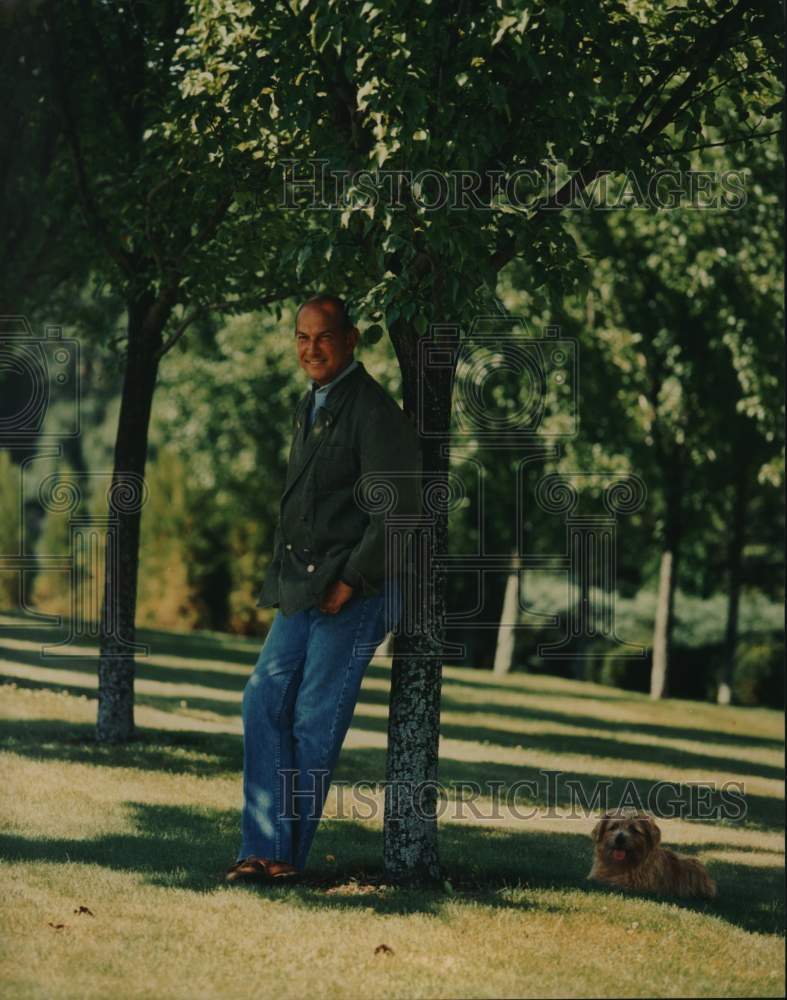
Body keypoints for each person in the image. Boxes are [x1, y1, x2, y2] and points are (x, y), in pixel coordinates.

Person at [225, 293, 422, 884]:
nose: (311, 348)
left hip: (357, 587)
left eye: (325, 336)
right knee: (262, 699)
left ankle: (285, 858)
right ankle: (259, 849)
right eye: (302, 337)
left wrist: (352, 579)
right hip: (305, 588)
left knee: (314, 718)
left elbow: (403, 510)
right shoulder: (311, 403)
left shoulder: (373, 411)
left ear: (352, 339)